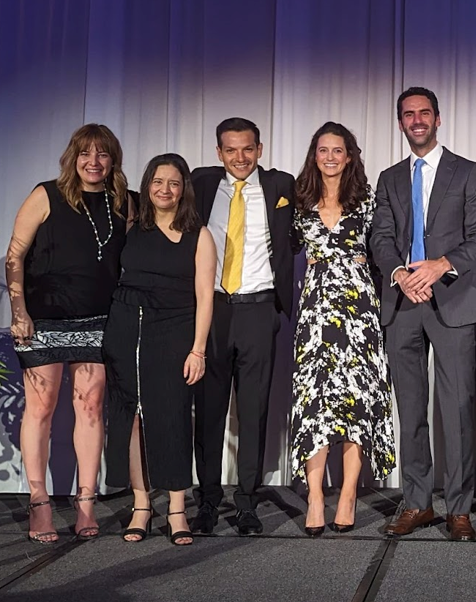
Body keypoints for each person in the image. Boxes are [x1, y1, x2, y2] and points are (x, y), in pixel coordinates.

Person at [371, 88, 476, 541]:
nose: (417, 120)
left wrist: (441, 266)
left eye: (424, 113)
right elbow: (381, 237)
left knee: (457, 409)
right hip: (403, 305)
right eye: (408, 115)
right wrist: (400, 273)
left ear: (438, 119)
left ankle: (458, 509)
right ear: (400, 122)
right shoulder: (389, 178)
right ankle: (417, 502)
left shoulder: (468, 173)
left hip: (453, 302)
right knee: (411, 409)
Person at [5, 124, 133, 543]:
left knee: (91, 407)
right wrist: (19, 310)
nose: (93, 162)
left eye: (102, 154)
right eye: (86, 153)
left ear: (113, 160)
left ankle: (85, 502)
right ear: (72, 157)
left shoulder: (124, 203)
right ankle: (39, 501)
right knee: (40, 408)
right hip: (43, 319)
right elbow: (14, 255)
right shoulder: (46, 194)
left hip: (99, 320)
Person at [102, 154, 215, 545]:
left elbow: (205, 297)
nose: (165, 189)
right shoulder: (132, 224)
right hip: (125, 328)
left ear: (184, 189)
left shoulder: (199, 234)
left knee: (172, 417)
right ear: (146, 184)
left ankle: (177, 510)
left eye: (174, 183)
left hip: (175, 331)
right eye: (157, 181)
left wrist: (197, 350)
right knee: (132, 418)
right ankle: (141, 506)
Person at [191, 118, 296, 536]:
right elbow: (153, 196)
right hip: (211, 311)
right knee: (209, 413)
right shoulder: (199, 184)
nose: (240, 157)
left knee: (253, 413)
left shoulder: (281, 185)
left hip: (258, 309)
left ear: (260, 149)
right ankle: (208, 502)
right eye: (231, 150)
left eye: (248, 149)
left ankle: (248, 503)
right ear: (219, 152)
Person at [290, 122, 396, 537]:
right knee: (314, 403)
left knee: (355, 405)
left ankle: (349, 492)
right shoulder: (298, 201)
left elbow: (386, 246)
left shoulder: (368, 199)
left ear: (350, 156)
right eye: (323, 150)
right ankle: (316, 496)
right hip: (315, 314)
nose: (330, 157)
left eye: (338, 150)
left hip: (358, 313)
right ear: (314, 155)